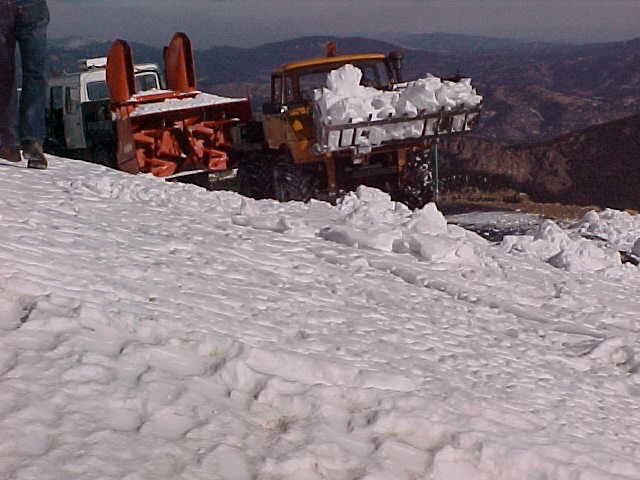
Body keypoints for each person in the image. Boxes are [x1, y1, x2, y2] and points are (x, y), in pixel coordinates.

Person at [0, 0, 49, 169]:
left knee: (4, 76)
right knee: (35, 74)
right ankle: (32, 141)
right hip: (32, 6)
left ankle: (8, 141)